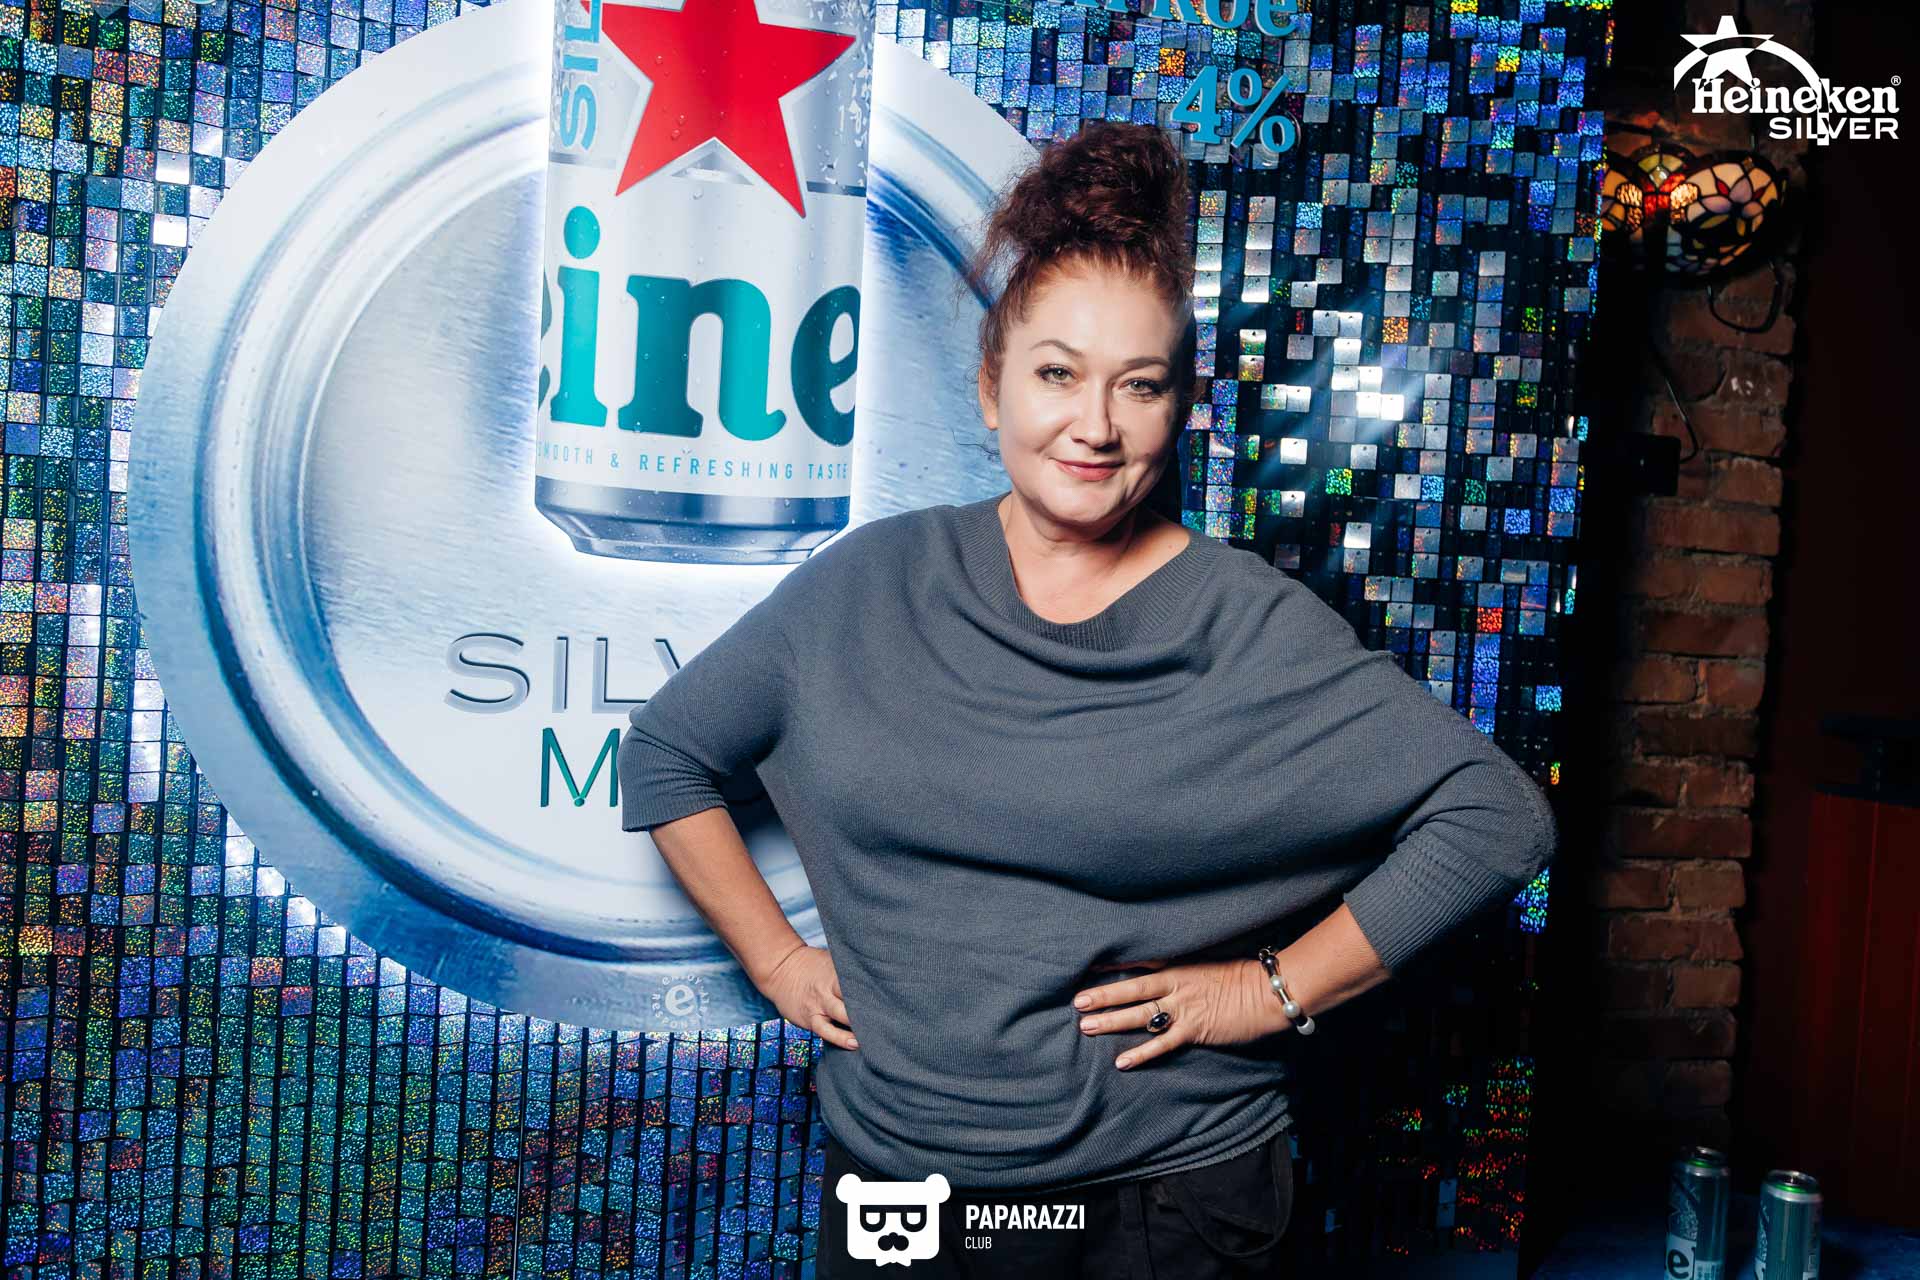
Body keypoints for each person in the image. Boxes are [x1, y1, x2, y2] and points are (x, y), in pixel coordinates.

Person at [617, 120, 1559, 1278]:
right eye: (1057, 372)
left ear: (1181, 406)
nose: (1096, 425)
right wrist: (774, 958)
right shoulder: (867, 582)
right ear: (991, 385)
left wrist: (1270, 990)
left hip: (1156, 1201)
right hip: (898, 1193)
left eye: (1140, 385)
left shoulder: (1245, 622)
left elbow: (1495, 817)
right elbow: (667, 751)